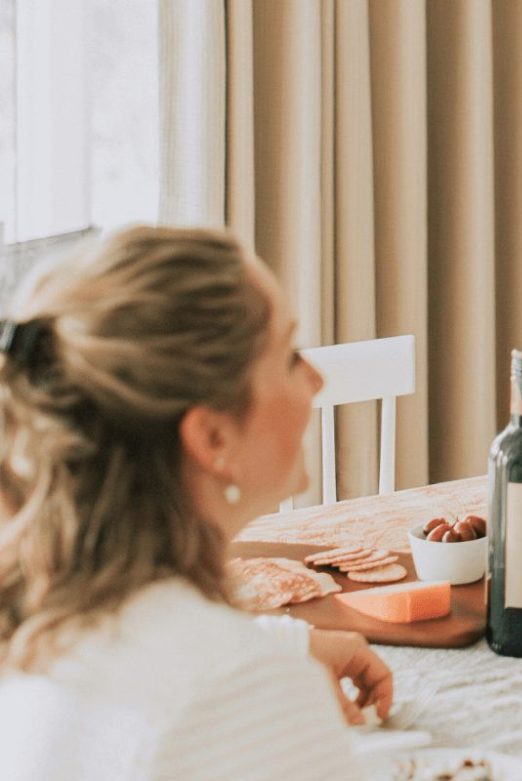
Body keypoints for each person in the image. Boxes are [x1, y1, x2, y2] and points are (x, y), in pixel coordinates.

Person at [0, 227, 393, 779]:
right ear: (212, 439)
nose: (317, 379)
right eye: (289, 356)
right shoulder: (243, 695)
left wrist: (291, 641)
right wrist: (270, 670)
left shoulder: (37, 620)